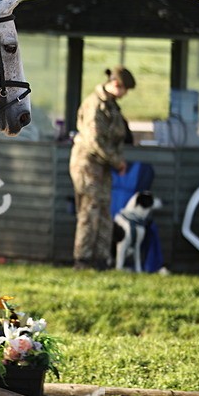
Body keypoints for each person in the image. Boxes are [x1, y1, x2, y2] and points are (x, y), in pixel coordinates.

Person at [69, 66, 135, 270]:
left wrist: (114, 159)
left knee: (104, 210)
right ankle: (83, 260)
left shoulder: (111, 105)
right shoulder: (95, 104)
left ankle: (100, 259)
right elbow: (94, 140)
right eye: (125, 90)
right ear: (116, 84)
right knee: (90, 211)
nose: (125, 95)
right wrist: (117, 161)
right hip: (87, 165)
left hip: (103, 165)